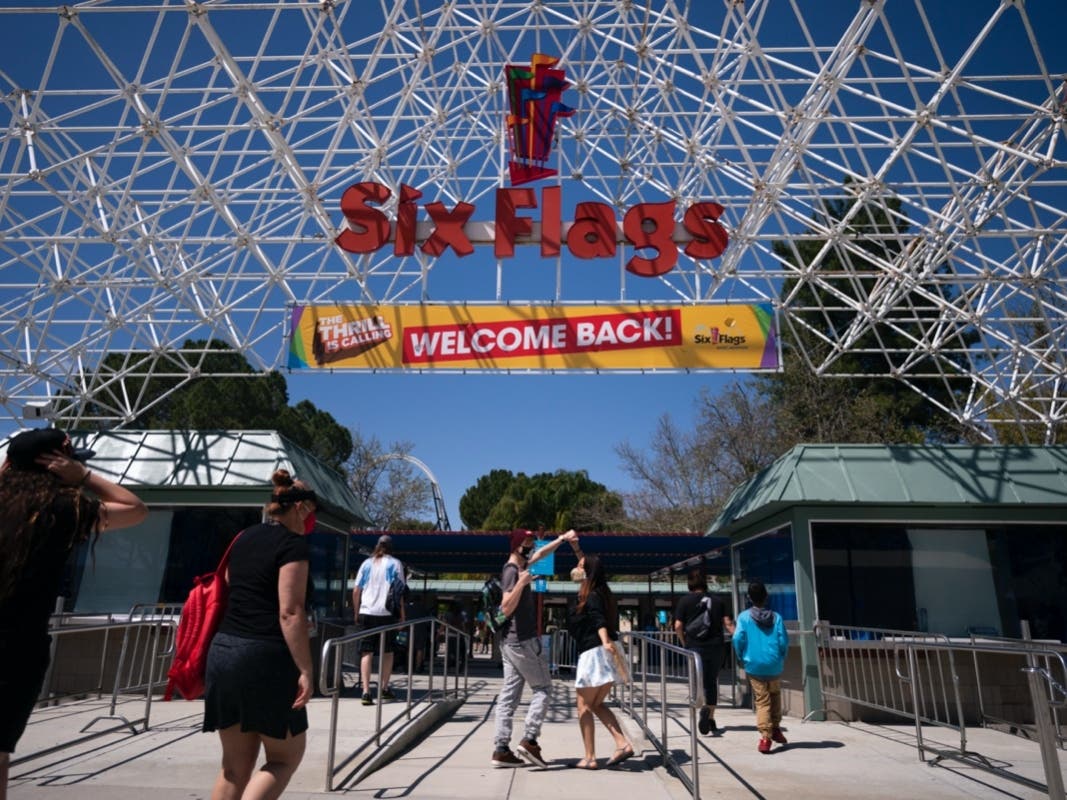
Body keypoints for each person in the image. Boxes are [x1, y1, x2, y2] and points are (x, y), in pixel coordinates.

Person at [0, 428, 148, 800]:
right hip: (15, 648)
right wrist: (83, 476)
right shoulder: (65, 511)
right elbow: (135, 509)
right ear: (59, 463)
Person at [202, 469, 316, 799]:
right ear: (300, 508)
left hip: (224, 652)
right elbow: (290, 611)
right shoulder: (293, 546)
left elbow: (225, 585)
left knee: (234, 767)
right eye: (312, 512)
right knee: (284, 757)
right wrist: (306, 670)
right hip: (265, 657)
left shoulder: (244, 538)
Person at [491, 527, 580, 768]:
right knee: (543, 688)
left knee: (509, 697)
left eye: (532, 542)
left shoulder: (521, 564)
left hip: (510, 643)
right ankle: (529, 740)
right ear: (516, 545)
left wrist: (561, 540)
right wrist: (521, 583)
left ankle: (501, 749)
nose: (531, 547)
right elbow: (506, 607)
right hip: (522, 641)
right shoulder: (512, 571)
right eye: (527, 542)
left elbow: (541, 555)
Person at [567, 553, 635, 770]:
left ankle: (590, 757)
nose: (576, 568)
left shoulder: (593, 595)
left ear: (588, 571)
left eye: (579, 566)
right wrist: (575, 545)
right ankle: (622, 744)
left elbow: (598, 619)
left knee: (584, 706)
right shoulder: (601, 592)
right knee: (595, 704)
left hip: (595, 653)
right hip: (605, 653)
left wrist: (604, 641)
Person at [672, 568, 734, 735]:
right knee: (711, 682)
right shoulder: (719, 601)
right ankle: (710, 716)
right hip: (716, 646)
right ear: (704, 582)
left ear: (689, 583)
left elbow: (678, 625)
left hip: (694, 646)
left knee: (696, 682)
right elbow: (728, 624)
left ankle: (700, 708)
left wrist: (683, 640)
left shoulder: (684, 601)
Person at [732, 580, 790, 754]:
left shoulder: (744, 617)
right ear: (766, 596)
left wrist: (740, 655)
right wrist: (781, 657)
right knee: (775, 695)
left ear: (749, 597)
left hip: (754, 664)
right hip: (773, 663)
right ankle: (777, 727)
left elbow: (737, 638)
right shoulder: (777, 617)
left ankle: (765, 736)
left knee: (762, 700)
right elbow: (783, 640)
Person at [351, 534, 405, 705]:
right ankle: (384, 688)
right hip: (386, 613)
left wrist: (356, 611)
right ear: (391, 548)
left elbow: (356, 590)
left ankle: (366, 691)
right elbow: (399, 592)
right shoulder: (396, 564)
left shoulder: (366, 564)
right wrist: (402, 615)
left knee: (367, 651)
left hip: (367, 611)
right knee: (387, 651)